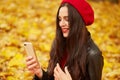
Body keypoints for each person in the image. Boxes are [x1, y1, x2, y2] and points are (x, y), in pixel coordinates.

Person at [26, 0, 104, 80]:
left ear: (78, 21)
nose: (61, 24)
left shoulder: (93, 55)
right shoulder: (58, 44)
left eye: (67, 19)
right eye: (60, 19)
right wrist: (40, 73)